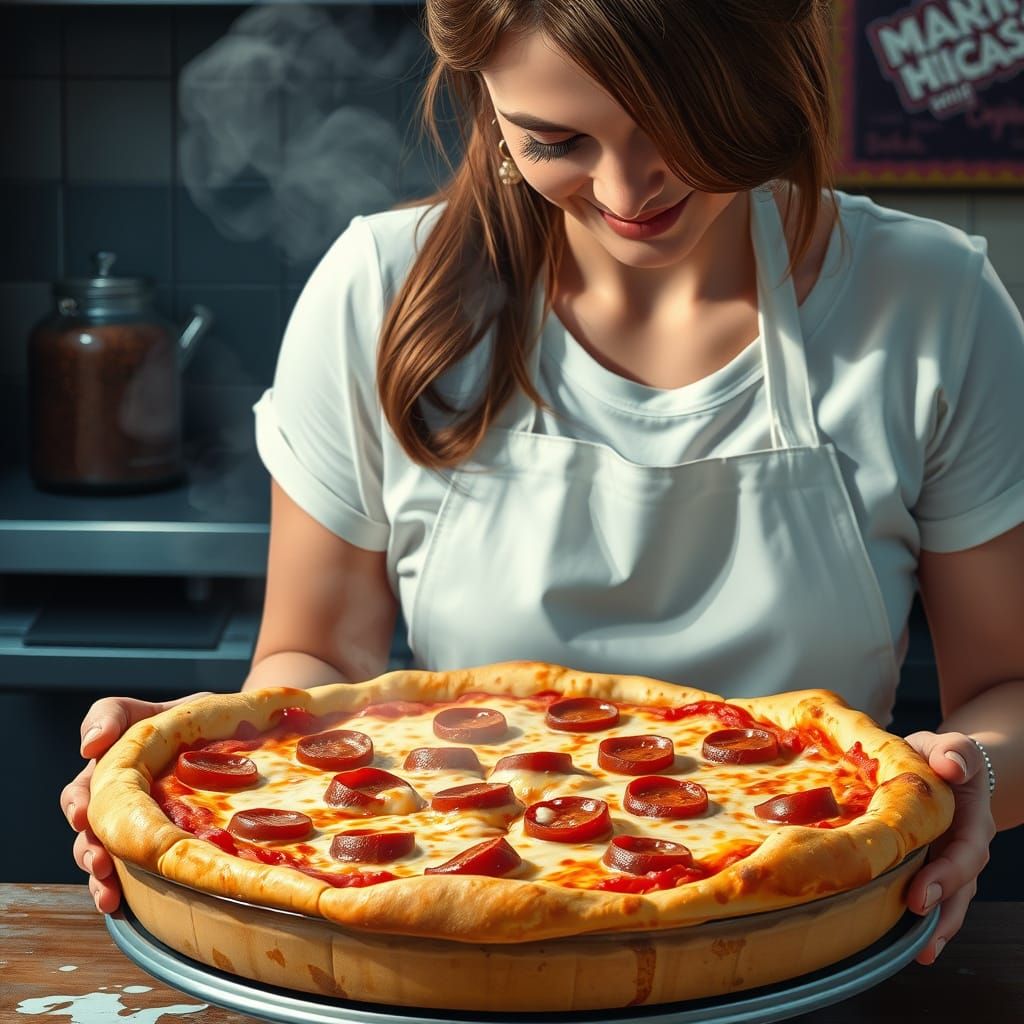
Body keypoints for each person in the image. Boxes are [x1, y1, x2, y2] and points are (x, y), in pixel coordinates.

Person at [62, 0, 1023, 970]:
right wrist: (224, 763)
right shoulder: (376, 291)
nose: (626, 189)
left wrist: (973, 770)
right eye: (554, 141)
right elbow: (313, 665)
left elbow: (1008, 691)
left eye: (676, 130)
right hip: (456, 967)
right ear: (486, 103)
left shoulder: (931, 300)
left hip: (802, 944)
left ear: (762, 77)